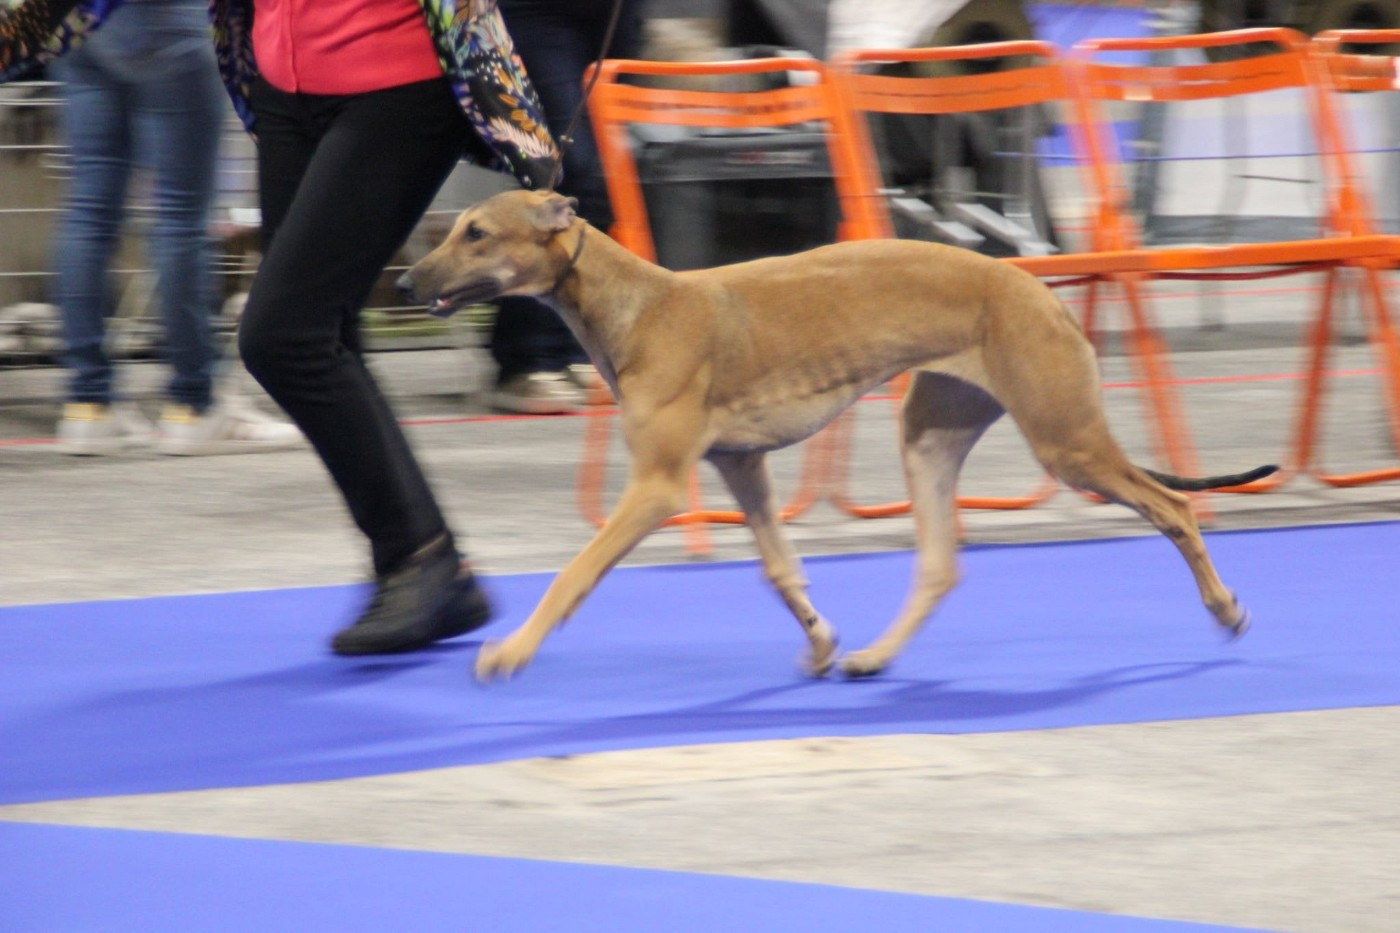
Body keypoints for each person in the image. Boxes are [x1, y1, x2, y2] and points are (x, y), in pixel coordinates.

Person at [3, 0, 561, 654]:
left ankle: (423, 557)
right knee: (324, 332)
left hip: (399, 82)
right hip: (282, 86)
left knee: (283, 335)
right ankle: (419, 563)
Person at [46, 0, 302, 456]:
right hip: (162, 20)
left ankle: (88, 406)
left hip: (73, 22)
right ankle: (194, 404)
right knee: (181, 217)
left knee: (89, 209)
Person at [487, 0, 642, 414]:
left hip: (614, 12)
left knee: (612, 172)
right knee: (564, 168)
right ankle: (526, 359)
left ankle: (575, 350)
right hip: (534, 11)